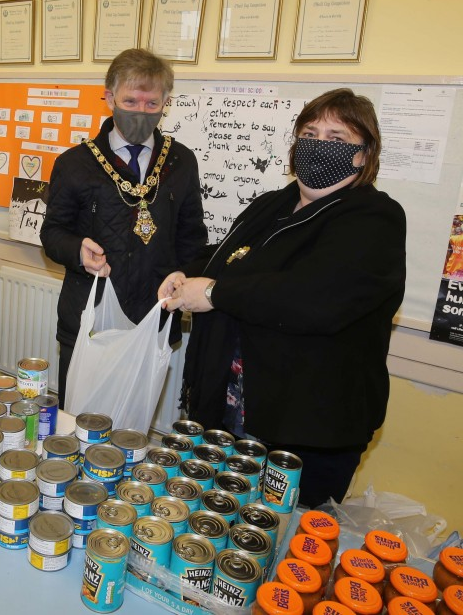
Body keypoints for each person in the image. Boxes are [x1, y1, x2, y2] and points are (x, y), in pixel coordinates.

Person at [158, 88, 407, 508]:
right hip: (231, 411)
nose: (318, 146)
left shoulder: (374, 218)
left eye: (337, 138)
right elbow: (231, 258)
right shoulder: (273, 203)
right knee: (218, 521)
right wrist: (190, 273)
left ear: (363, 155)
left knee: (285, 540)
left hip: (305, 427)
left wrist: (216, 293)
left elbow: (316, 298)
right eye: (310, 133)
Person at [41, 49, 207, 408]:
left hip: (154, 316)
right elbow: (51, 234)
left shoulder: (181, 161)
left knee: (133, 424)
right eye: (130, 100)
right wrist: (77, 251)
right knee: (80, 419)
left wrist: (185, 272)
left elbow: (193, 236)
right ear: (110, 97)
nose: (140, 112)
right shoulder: (75, 162)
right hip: (90, 316)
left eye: (152, 103)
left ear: (166, 102)